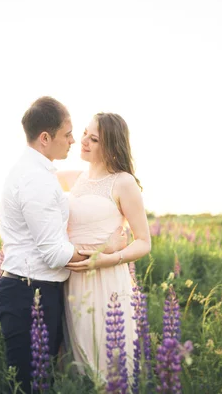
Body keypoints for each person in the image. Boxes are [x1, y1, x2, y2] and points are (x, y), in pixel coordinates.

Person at [0, 97, 124, 393]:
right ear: (45, 138)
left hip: (39, 289)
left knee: (45, 381)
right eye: (67, 134)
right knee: (32, 386)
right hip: (29, 293)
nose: (72, 140)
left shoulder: (41, 173)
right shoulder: (35, 179)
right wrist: (108, 248)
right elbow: (55, 254)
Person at [56, 112, 152, 384]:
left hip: (107, 280)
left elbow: (144, 242)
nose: (83, 140)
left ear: (111, 145)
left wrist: (108, 258)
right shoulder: (73, 179)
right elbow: (34, 180)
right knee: (76, 363)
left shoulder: (123, 182)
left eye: (94, 138)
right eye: (85, 133)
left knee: (109, 360)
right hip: (72, 279)